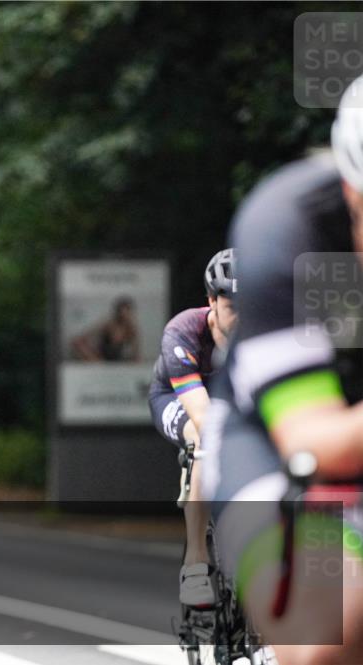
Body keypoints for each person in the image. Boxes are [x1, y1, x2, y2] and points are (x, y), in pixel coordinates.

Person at [202, 75, 363, 664]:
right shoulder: (284, 228)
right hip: (273, 436)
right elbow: (321, 445)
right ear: (349, 187)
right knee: (327, 633)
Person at [148, 249, 237, 607]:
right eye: (232, 307)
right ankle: (195, 563)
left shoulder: (263, 330)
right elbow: (202, 413)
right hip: (176, 397)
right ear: (212, 301)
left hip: (229, 398)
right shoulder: (184, 330)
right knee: (206, 438)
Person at [71, 295, 141, 362]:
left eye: (127, 312)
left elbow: (136, 353)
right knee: (78, 344)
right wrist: (92, 357)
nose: (125, 315)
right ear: (117, 312)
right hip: (101, 359)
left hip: (117, 360)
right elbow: (78, 341)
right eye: (122, 312)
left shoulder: (131, 328)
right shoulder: (108, 324)